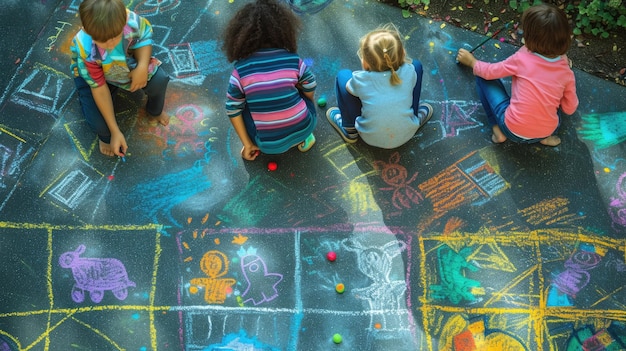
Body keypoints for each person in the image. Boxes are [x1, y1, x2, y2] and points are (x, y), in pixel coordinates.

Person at [456, 3, 578, 146]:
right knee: (554, 111)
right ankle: (545, 138)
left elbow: (490, 72)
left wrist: (472, 62)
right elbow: (569, 109)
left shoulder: (522, 58)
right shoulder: (566, 72)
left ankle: (497, 130)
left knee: (482, 77)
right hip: (547, 129)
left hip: (511, 128)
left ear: (529, 38)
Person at [70, 0, 170, 157]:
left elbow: (144, 38)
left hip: (121, 62)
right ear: (86, 30)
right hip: (94, 78)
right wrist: (114, 132)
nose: (109, 44)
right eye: (102, 40)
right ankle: (105, 137)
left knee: (159, 80)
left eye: (114, 37)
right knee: (100, 126)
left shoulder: (130, 20)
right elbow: (99, 88)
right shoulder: (86, 50)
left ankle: (154, 111)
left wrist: (142, 66)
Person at [223, 0, 317, 161]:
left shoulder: (240, 71)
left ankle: (253, 144)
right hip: (306, 127)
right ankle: (306, 137)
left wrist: (248, 145)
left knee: (241, 104)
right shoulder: (292, 59)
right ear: (284, 31)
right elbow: (311, 84)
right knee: (299, 85)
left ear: (239, 37)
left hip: (269, 146)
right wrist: (304, 104)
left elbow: (232, 109)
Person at [326, 23, 433, 149]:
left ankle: (350, 129)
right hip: (408, 132)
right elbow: (411, 69)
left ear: (365, 62)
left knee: (343, 76)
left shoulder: (361, 80)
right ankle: (414, 116)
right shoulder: (409, 71)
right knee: (417, 66)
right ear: (403, 54)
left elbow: (349, 89)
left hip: (369, 137)